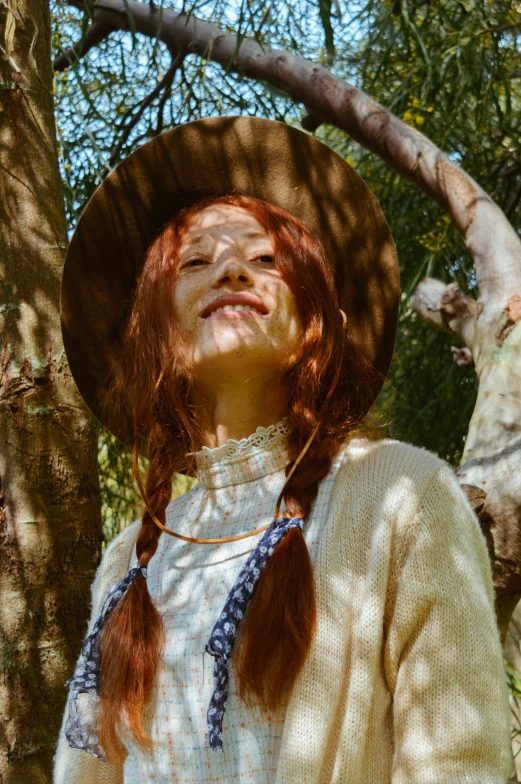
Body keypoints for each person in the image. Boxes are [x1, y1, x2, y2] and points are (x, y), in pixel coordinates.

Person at [54, 116, 512, 783]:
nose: (232, 269)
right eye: (195, 262)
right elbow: (87, 771)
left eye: (266, 259)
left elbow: (457, 764)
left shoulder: (402, 495)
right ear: (153, 333)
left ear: (319, 323)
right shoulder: (130, 557)